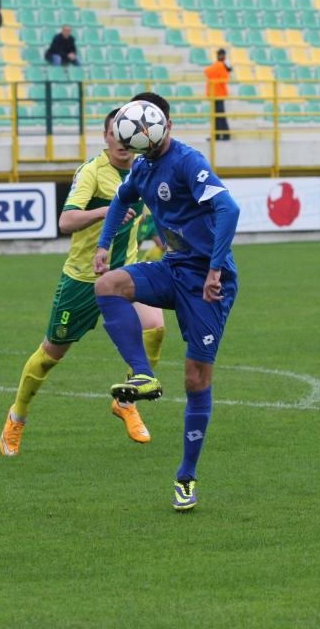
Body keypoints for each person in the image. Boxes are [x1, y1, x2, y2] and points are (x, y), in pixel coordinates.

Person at [93, 92, 240, 511]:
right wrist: (104, 246)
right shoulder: (142, 166)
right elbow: (122, 197)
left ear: (165, 127)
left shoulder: (189, 162)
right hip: (173, 269)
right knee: (108, 285)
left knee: (196, 380)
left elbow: (229, 209)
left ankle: (186, 476)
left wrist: (215, 270)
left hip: (209, 281)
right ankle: (143, 375)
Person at [0, 108, 166, 456]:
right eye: (115, 134)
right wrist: (105, 210)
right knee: (49, 355)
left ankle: (126, 402)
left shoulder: (142, 170)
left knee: (155, 325)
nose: (122, 142)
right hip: (82, 280)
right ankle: (16, 417)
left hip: (127, 274)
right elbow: (65, 220)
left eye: (128, 136)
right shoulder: (92, 172)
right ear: (106, 136)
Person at [204, 48, 232, 141]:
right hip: (217, 94)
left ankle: (222, 135)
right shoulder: (221, 65)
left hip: (216, 94)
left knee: (218, 116)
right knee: (218, 116)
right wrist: (227, 68)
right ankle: (221, 135)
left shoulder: (218, 65)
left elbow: (207, 71)